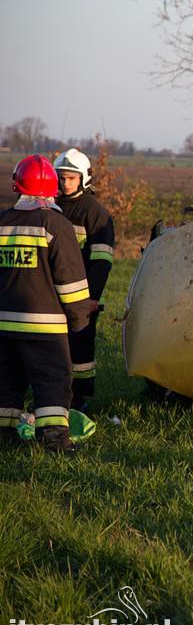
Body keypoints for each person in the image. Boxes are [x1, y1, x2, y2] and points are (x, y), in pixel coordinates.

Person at [0, 154, 91, 452]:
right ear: (52, 188)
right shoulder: (55, 224)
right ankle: (54, 441)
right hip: (44, 326)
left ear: (17, 185)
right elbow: (72, 284)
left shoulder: (2, 222)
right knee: (52, 379)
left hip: (3, 324)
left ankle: (5, 436)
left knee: (7, 382)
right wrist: (78, 321)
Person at [54, 148, 115, 410]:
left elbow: (102, 261)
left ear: (83, 179)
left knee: (80, 350)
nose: (65, 183)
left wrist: (91, 298)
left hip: (83, 297)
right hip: (53, 293)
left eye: (71, 178)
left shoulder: (95, 213)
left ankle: (79, 401)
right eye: (61, 177)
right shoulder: (51, 207)